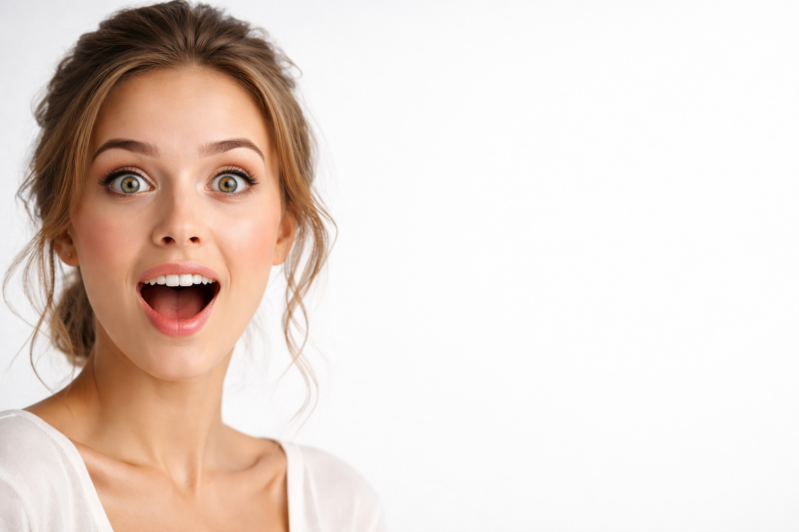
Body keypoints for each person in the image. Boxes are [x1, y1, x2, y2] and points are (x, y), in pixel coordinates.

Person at [0, 2, 385, 531]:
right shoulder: (14, 488)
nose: (180, 224)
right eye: (129, 181)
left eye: (228, 181)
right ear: (65, 227)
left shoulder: (340, 506)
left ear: (283, 230)